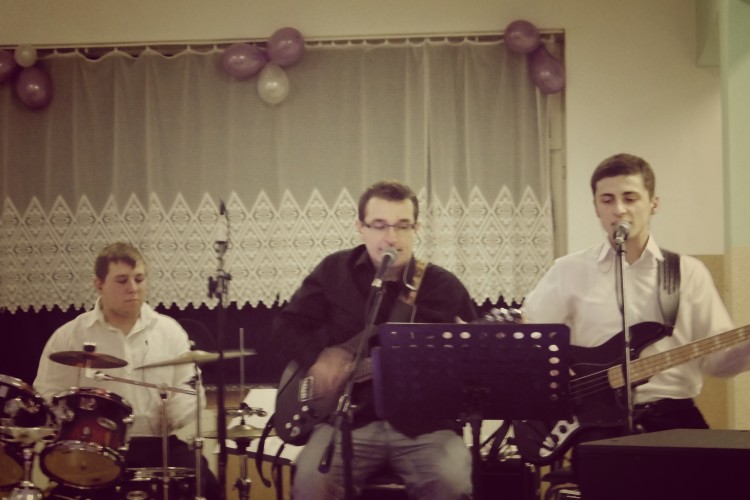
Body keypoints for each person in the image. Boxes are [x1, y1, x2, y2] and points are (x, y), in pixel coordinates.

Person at [519, 153, 750, 464]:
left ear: (653, 203)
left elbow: (718, 365)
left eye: (630, 198)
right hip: (594, 421)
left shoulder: (687, 272)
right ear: (596, 207)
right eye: (607, 200)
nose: (619, 209)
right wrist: (562, 376)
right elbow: (530, 335)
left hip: (672, 413)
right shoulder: (569, 270)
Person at [269, 180, 477, 500]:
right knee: (310, 483)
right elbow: (287, 326)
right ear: (360, 227)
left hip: (425, 426)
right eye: (379, 225)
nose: (391, 237)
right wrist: (317, 362)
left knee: (451, 483)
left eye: (403, 226)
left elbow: (475, 357)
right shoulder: (334, 271)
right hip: (345, 422)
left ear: (416, 228)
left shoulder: (443, 287)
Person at [34, 242, 220, 499]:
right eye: (122, 280)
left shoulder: (169, 331)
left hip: (158, 444)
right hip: (94, 448)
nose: (133, 288)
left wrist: (179, 409)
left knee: (205, 482)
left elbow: (188, 388)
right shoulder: (70, 336)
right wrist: (71, 423)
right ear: (99, 285)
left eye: (139, 279)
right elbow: (47, 394)